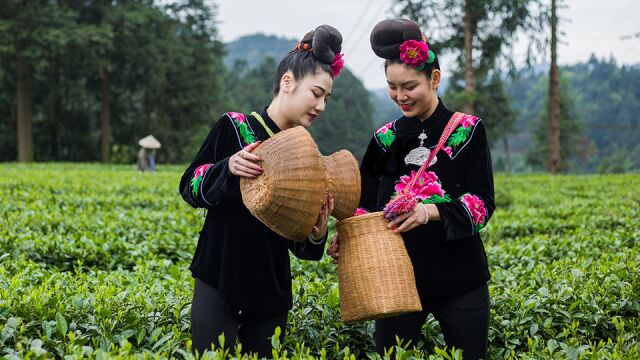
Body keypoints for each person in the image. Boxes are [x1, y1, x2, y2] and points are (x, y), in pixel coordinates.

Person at [327, 19, 494, 359]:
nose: (400, 96)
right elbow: (364, 204)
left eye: (409, 86)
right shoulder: (385, 138)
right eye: (392, 87)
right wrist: (349, 236)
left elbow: (481, 204)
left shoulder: (468, 131)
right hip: (395, 280)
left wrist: (427, 212)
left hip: (460, 278)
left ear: (434, 79)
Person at [179, 25, 344, 357]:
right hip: (218, 276)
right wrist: (227, 167)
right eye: (316, 93)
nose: (321, 105)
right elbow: (190, 187)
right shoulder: (235, 127)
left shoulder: (308, 157)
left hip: (270, 289)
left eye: (327, 97)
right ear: (287, 82)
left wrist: (316, 233)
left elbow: (303, 249)